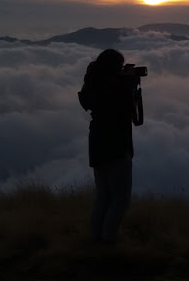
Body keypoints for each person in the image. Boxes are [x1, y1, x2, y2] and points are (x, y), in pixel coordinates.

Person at [80, 48, 143, 243]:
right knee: (120, 201)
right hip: (116, 148)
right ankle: (108, 241)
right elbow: (128, 113)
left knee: (103, 198)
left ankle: (94, 239)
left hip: (97, 147)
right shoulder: (116, 89)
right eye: (120, 66)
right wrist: (131, 86)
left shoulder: (93, 83)